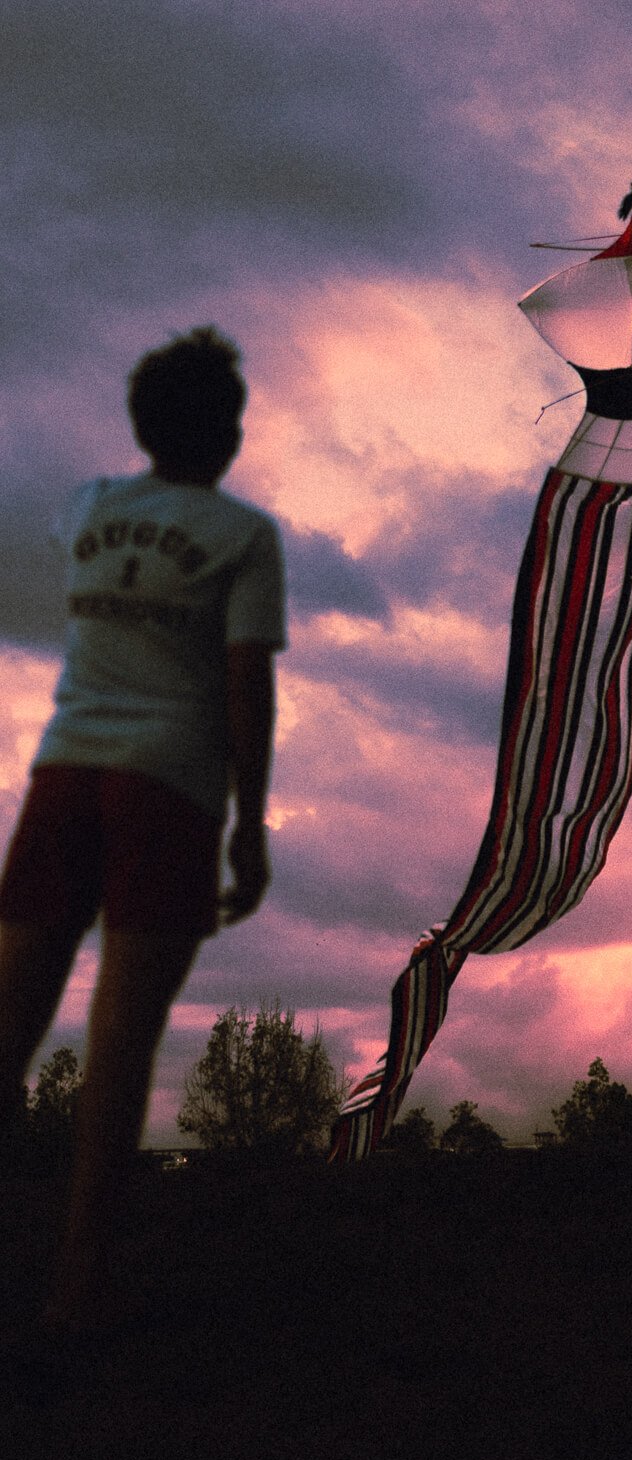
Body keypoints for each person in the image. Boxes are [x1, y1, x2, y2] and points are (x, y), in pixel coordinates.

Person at [0, 327, 286, 1336]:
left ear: (142, 425)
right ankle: (77, 1288)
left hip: (63, 778)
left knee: (7, 1024)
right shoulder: (244, 537)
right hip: (168, 791)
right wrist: (250, 827)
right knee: (119, 1048)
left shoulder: (85, 507)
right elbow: (247, 685)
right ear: (232, 431)